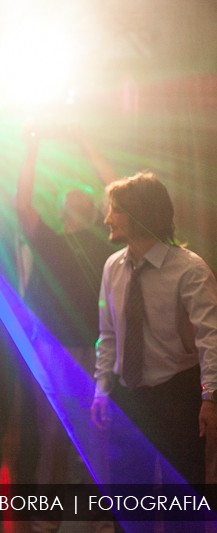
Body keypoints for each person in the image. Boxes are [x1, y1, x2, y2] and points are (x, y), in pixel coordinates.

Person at [15, 126, 117, 533]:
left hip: (98, 350)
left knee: (102, 437)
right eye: (70, 200)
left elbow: (117, 193)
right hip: (55, 349)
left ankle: (102, 519)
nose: (77, 203)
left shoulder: (106, 242)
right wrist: (33, 147)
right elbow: (22, 204)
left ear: (95, 211)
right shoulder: (50, 242)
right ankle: (48, 520)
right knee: (53, 436)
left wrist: (88, 143)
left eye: (84, 200)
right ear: (61, 209)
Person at [91, 172, 217, 491]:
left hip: (177, 395)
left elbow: (211, 340)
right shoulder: (112, 266)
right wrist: (102, 389)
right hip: (126, 397)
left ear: (142, 214)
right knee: (128, 500)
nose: (107, 218)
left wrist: (210, 398)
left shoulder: (189, 269)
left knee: (183, 504)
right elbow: (108, 336)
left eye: (115, 210)